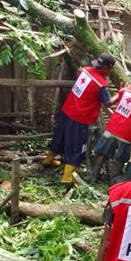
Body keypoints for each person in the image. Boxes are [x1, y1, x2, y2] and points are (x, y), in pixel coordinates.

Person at [42, 53, 116, 184]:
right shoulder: (101, 85)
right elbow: (108, 103)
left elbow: (79, 73)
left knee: (60, 136)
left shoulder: (85, 70)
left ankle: (48, 159)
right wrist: (121, 94)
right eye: (110, 69)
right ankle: (67, 177)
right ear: (106, 68)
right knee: (76, 146)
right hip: (80, 117)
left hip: (67, 109)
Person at [92, 72, 131, 182]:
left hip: (113, 127)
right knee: (120, 158)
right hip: (127, 133)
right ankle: (114, 182)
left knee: (102, 153)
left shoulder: (124, 90)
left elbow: (110, 102)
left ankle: (93, 177)